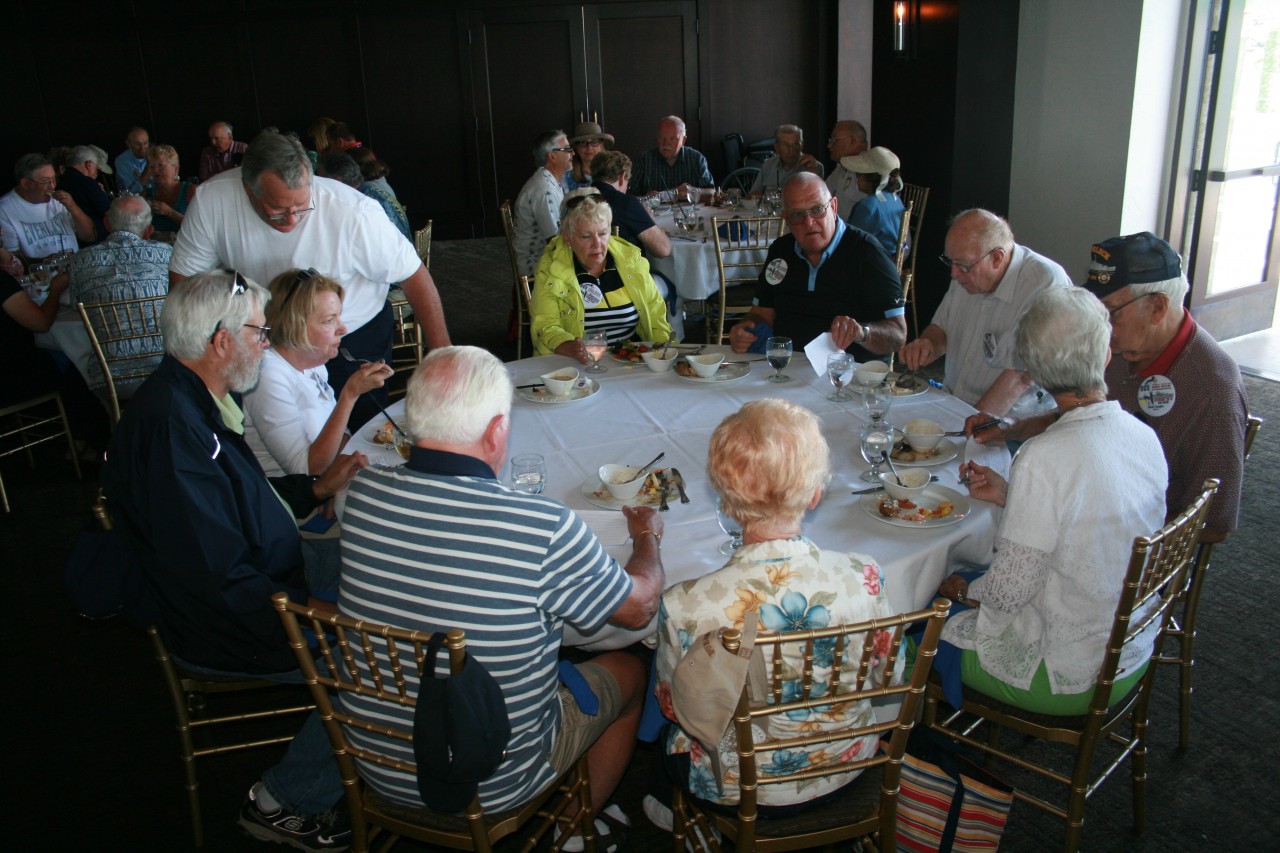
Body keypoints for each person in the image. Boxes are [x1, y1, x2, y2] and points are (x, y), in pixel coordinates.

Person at [339, 345, 664, 844]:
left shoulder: (363, 493)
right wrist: (647, 539)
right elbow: (639, 608)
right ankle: (572, 829)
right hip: (491, 778)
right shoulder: (543, 527)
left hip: (379, 762)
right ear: (496, 431)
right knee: (630, 669)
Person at [101, 269, 368, 851]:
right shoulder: (174, 433)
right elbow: (218, 577)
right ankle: (283, 801)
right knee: (379, 658)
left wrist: (314, 492)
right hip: (231, 621)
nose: (267, 344)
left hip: (271, 569)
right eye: (259, 333)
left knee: (388, 568)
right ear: (221, 342)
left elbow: (244, 504)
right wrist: (321, 613)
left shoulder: (196, 398)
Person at [655, 398, 898, 810]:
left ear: (724, 499)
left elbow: (675, 707)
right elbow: (887, 677)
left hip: (740, 786)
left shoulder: (684, 604)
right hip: (849, 762)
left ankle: (662, 808)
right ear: (816, 493)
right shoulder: (865, 575)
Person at [935, 286, 1168, 714]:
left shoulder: (1044, 456)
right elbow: (1094, 522)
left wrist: (958, 589)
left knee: (911, 623)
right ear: (1105, 356)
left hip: (1069, 671)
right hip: (1133, 646)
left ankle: (914, 741)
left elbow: (1006, 593)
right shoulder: (1141, 435)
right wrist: (1013, 496)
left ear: (1035, 375)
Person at [969, 232, 1249, 543]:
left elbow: (1213, 523)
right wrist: (1008, 428)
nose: (1100, 323)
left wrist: (1097, 536)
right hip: (1084, 498)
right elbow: (1075, 417)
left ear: (1157, 307)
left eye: (1111, 312)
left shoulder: (1212, 390)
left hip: (1133, 547)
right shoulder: (1119, 345)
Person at [170, 129, 449, 426]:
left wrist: (443, 356)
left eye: (302, 207)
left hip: (351, 338)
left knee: (365, 429)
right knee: (282, 434)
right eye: (278, 211)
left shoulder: (352, 211)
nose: (292, 219)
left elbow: (414, 276)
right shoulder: (212, 201)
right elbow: (185, 283)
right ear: (249, 190)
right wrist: (196, 360)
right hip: (267, 341)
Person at [898, 209, 1070, 415]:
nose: (954, 273)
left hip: (1010, 420)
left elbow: (1020, 377)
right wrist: (928, 345)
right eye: (951, 261)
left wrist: (970, 424)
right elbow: (942, 327)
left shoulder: (1043, 282)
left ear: (997, 258)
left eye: (963, 266)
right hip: (955, 402)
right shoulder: (966, 269)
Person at [729, 173, 906, 360]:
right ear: (786, 219)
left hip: (850, 370)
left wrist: (862, 332)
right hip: (786, 365)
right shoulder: (781, 251)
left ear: (834, 207)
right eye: (798, 214)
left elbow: (898, 335)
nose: (809, 222)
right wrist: (745, 329)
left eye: (817, 209)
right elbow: (761, 314)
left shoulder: (868, 253)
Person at [243, 268, 393, 478]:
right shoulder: (268, 375)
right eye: (329, 320)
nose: (343, 329)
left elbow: (339, 435)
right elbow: (306, 471)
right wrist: (350, 394)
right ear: (294, 325)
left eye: (339, 317)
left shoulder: (314, 364)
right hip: (289, 494)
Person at [531, 189, 673, 359]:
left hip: (630, 360)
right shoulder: (551, 270)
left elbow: (655, 314)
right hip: (576, 364)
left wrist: (662, 353)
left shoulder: (631, 262)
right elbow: (545, 325)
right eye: (586, 236)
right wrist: (569, 346)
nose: (597, 243)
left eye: (603, 233)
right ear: (567, 238)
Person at [68, 195, 172, 398]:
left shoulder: (79, 261)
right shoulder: (167, 254)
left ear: (107, 223)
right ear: (149, 230)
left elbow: (76, 307)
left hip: (110, 381)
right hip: (167, 374)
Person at [0, 153, 96, 261]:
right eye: (45, 181)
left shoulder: (59, 201)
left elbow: (90, 236)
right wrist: (49, 262)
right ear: (25, 183)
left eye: (54, 179)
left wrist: (73, 208)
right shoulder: (4, 210)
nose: (52, 186)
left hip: (75, 267)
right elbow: (12, 261)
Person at [512, 130, 573, 279]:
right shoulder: (544, 189)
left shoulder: (550, 181)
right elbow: (554, 239)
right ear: (552, 156)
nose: (573, 153)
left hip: (549, 258)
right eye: (567, 149)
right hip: (537, 268)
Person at [591, 150, 671, 261]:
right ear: (622, 177)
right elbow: (663, 250)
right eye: (627, 183)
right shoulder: (625, 203)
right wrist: (650, 220)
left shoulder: (579, 198)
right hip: (624, 269)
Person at [316, 151, 409, 240]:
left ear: (336, 182)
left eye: (321, 181)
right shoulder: (370, 191)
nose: (318, 187)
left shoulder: (363, 201)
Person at [629, 115, 715, 200]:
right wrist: (646, 198)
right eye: (661, 138)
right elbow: (629, 196)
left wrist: (693, 191)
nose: (665, 144)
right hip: (653, 209)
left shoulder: (696, 159)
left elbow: (711, 192)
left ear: (683, 140)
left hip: (688, 208)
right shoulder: (645, 160)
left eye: (672, 139)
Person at [841, 146, 906, 257]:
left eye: (859, 174)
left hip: (875, 259)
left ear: (871, 178)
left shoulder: (867, 206)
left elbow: (851, 241)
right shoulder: (895, 199)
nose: (857, 178)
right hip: (893, 257)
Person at [58, 145, 113, 243]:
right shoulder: (87, 182)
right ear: (89, 164)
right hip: (94, 240)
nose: (97, 174)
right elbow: (109, 211)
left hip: (69, 238)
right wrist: (102, 193)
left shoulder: (59, 183)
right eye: (97, 169)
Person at [748, 124, 824, 195]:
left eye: (796, 144)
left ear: (802, 145)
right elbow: (753, 195)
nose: (791, 150)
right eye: (786, 145)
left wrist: (812, 175)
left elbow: (819, 198)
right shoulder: (768, 165)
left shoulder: (813, 167)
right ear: (777, 147)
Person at [142, 144, 196, 241]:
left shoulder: (190, 190)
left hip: (184, 244)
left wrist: (170, 212)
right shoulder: (146, 194)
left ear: (175, 168)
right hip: (156, 246)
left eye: (160, 165)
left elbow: (199, 226)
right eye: (152, 166)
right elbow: (138, 228)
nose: (155, 170)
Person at [824, 120, 869, 214]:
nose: (829, 145)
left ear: (852, 141)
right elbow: (822, 195)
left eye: (834, 140)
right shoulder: (840, 169)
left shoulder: (870, 171)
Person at [566, 120, 613, 190]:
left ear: (602, 145)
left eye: (594, 142)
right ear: (576, 147)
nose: (589, 147)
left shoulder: (612, 170)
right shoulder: (567, 174)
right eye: (583, 142)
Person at [114, 126, 151, 194]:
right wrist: (149, 166)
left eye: (145, 143)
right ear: (128, 144)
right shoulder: (122, 161)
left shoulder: (155, 154)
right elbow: (132, 191)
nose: (142, 148)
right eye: (137, 144)